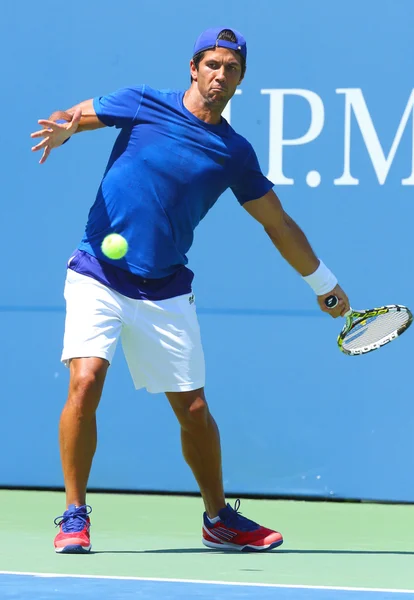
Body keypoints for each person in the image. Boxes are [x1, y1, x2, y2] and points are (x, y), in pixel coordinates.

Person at [31, 27, 350, 554]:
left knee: (195, 411)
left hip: (166, 289)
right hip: (97, 275)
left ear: (240, 79)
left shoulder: (234, 153)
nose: (220, 75)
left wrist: (323, 283)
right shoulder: (141, 103)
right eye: (213, 64)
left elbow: (276, 222)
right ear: (194, 68)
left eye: (232, 68)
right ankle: (72, 514)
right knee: (85, 381)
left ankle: (217, 518)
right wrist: (66, 128)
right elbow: (79, 115)